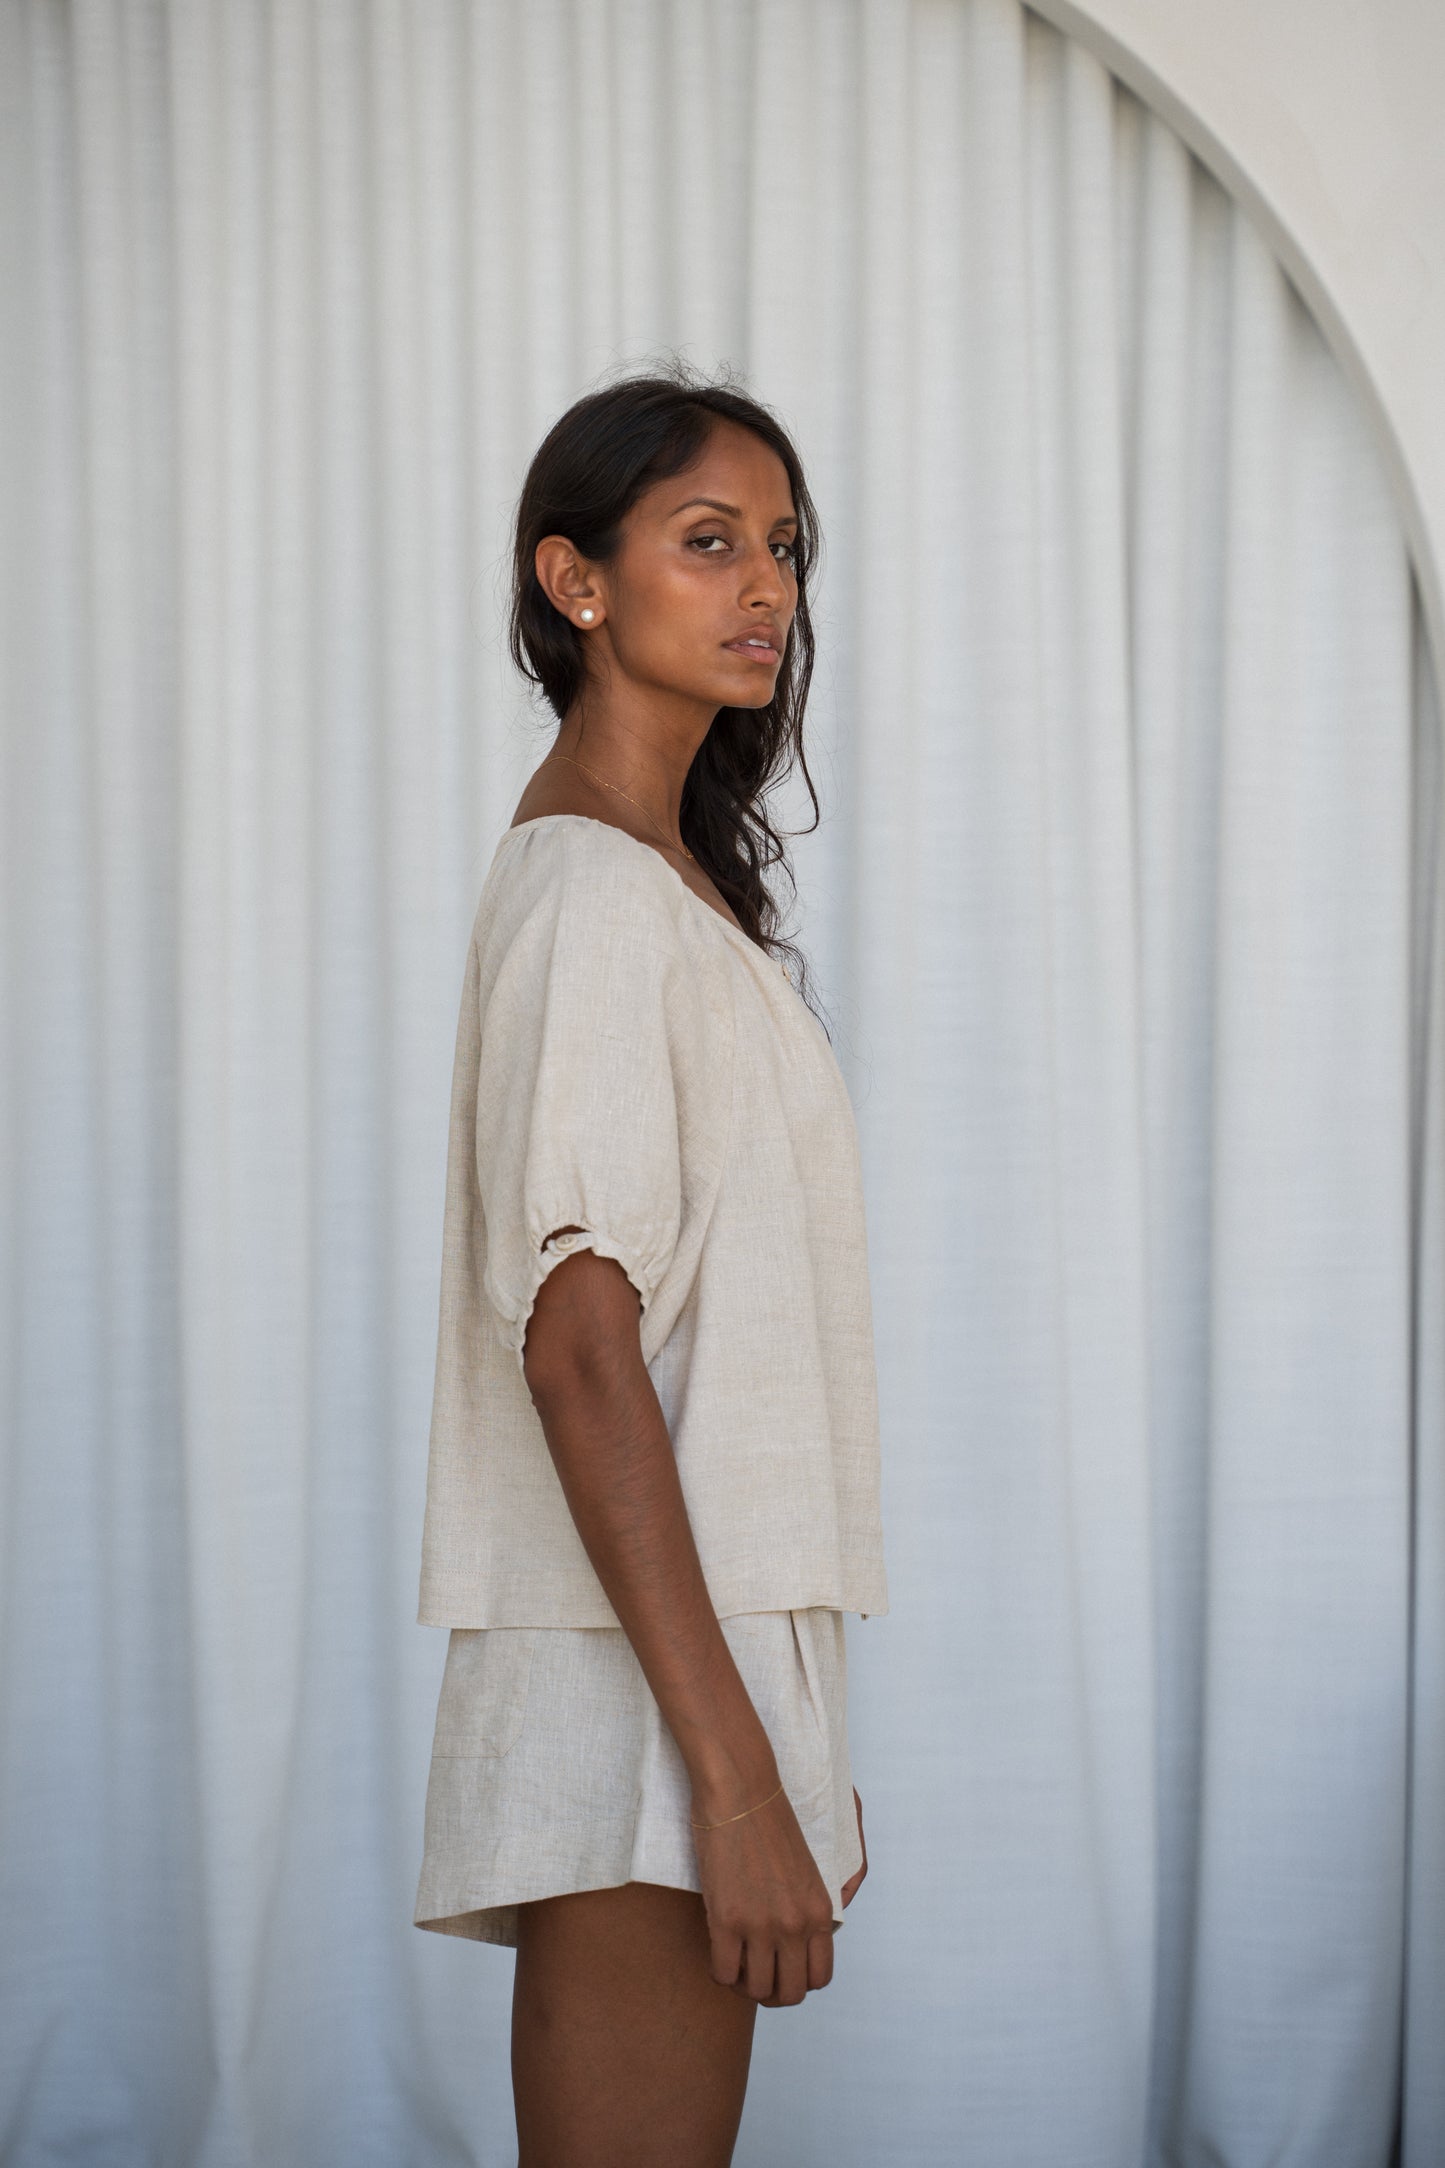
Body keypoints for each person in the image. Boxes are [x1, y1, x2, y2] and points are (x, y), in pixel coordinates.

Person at [413, 360, 889, 2168]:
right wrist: (739, 1773)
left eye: (782, 547)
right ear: (575, 581)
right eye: (708, 543)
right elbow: (579, 1352)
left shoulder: (665, 890)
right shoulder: (592, 900)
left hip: (683, 1679)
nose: (767, 586)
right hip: (638, 1710)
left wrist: (784, 1725)